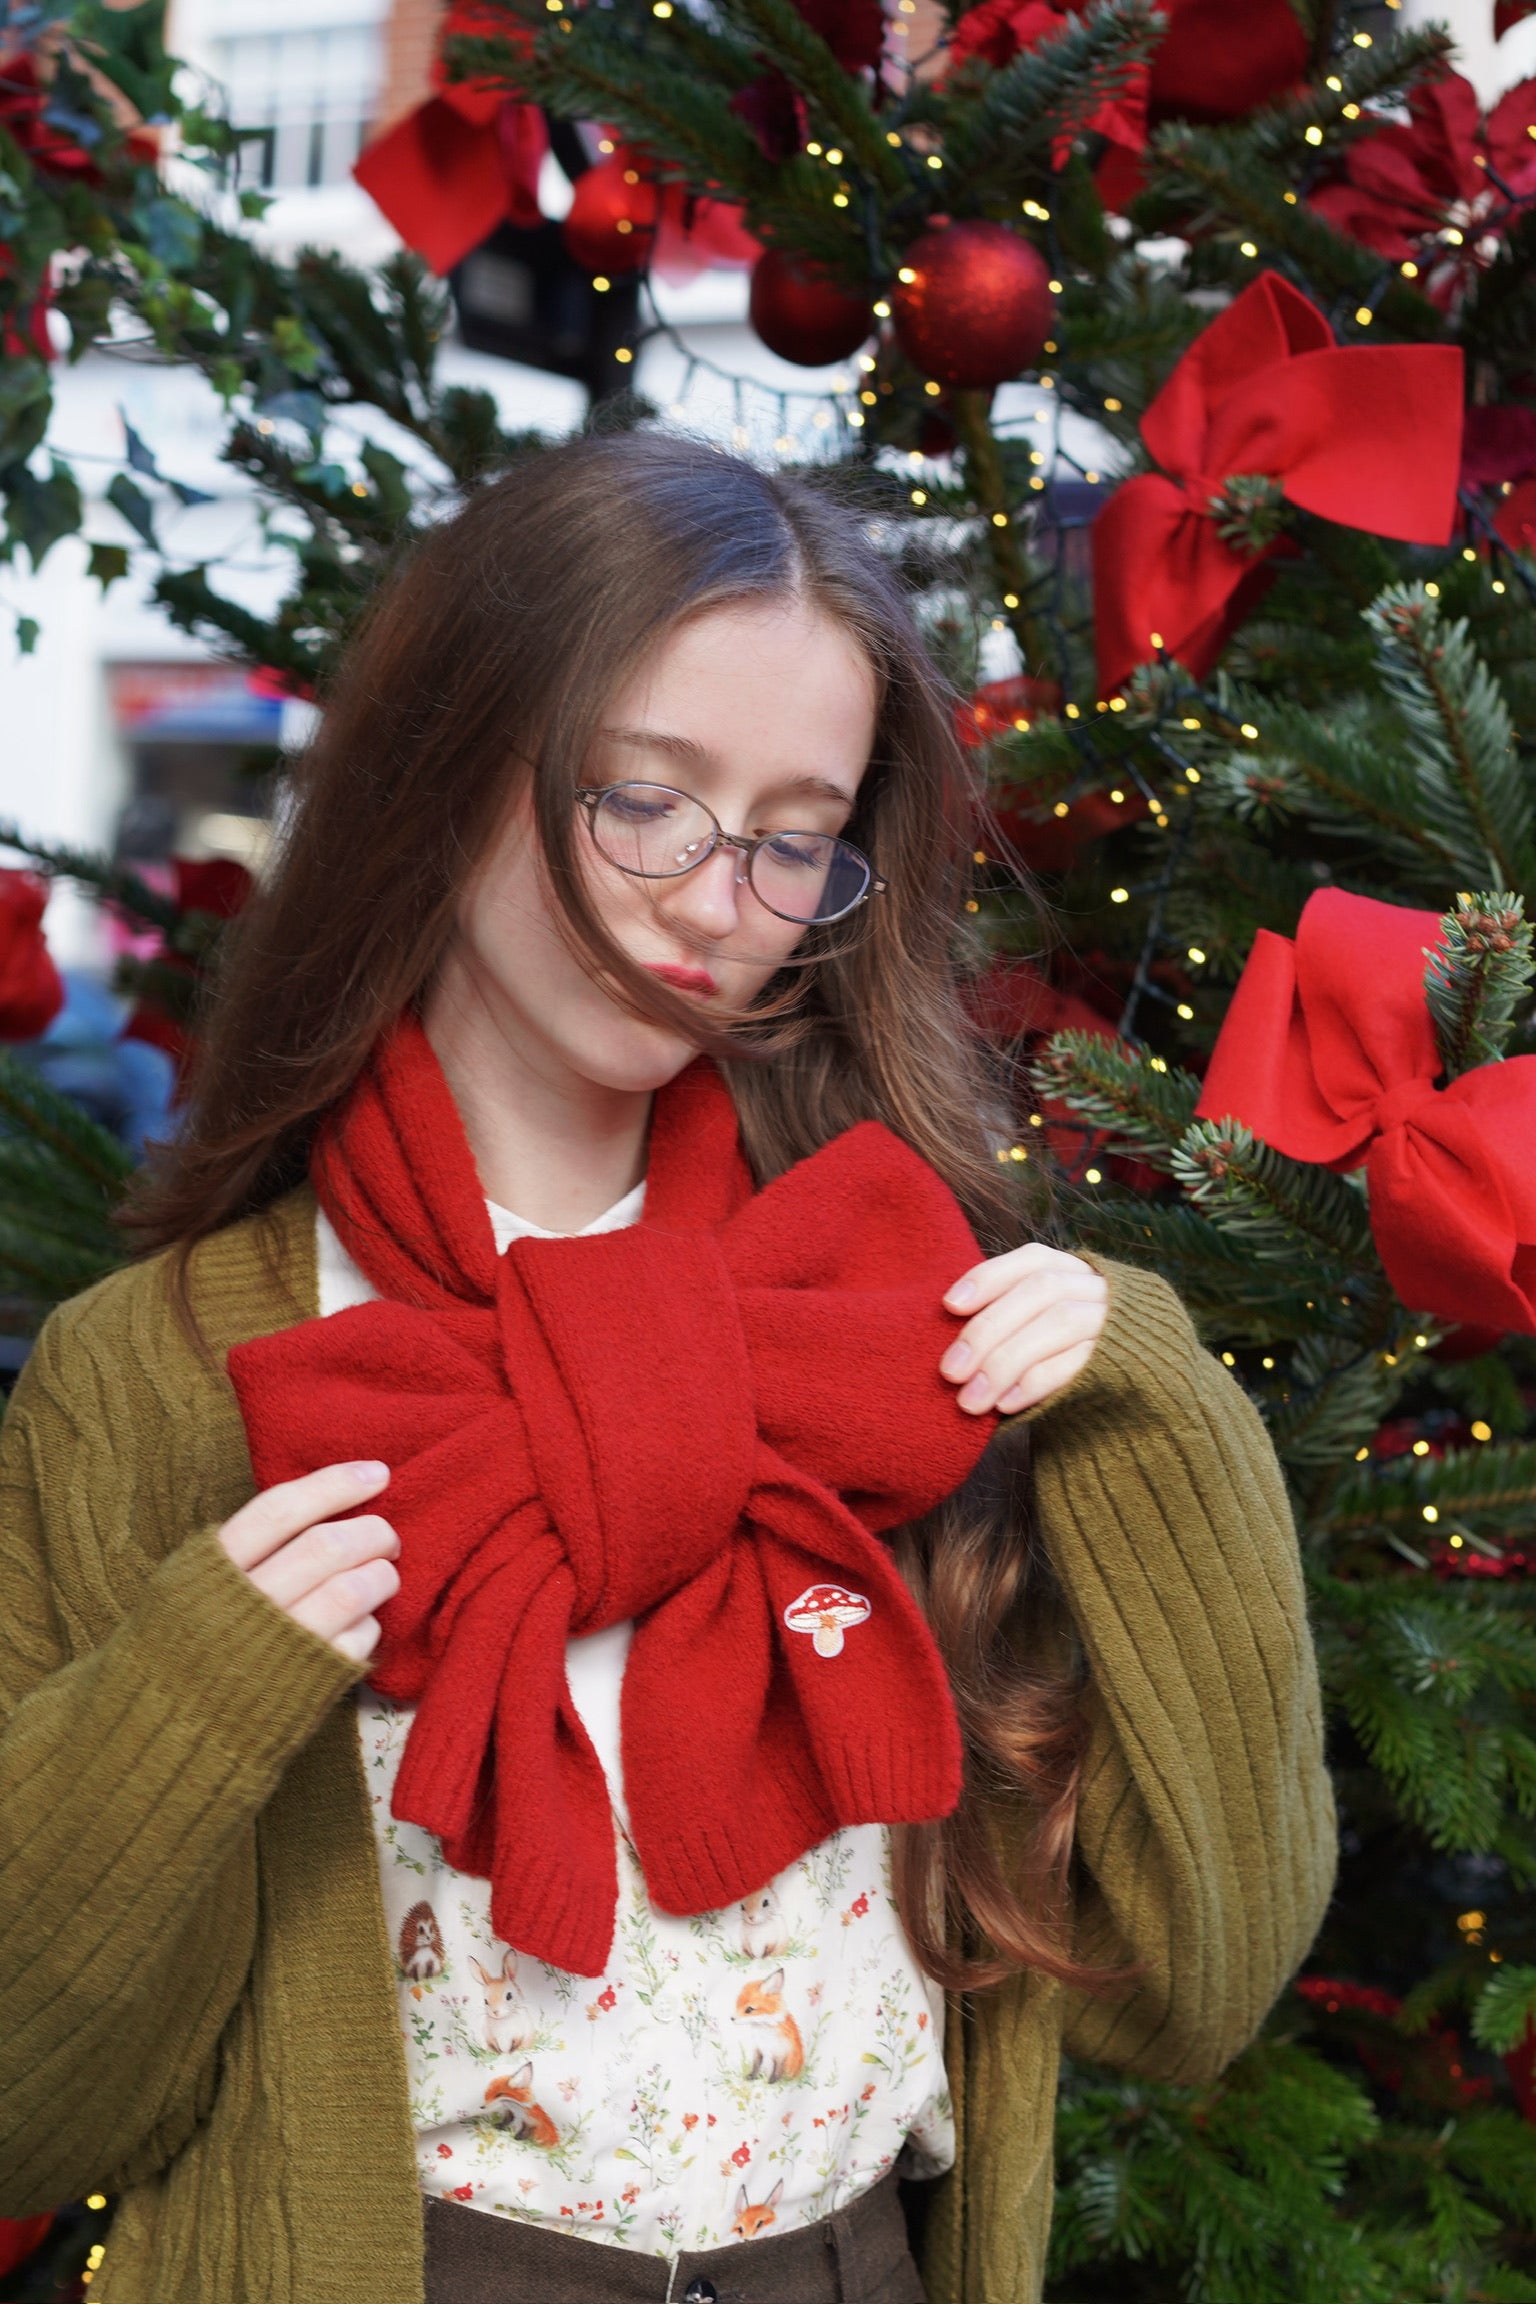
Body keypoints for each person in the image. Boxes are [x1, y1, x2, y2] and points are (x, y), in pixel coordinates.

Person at [0, 435, 1335, 2304]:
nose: (719, 900)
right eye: (646, 799)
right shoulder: (157, 1379)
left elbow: (1196, 1993)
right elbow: (28, 2121)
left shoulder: (904, 1328)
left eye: (795, 837)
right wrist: (193, 1689)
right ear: (447, 771)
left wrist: (1164, 1421)